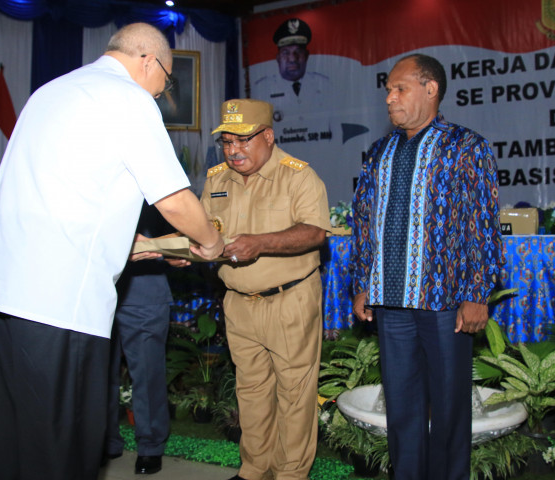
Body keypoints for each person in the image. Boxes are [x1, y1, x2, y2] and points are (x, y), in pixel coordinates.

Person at [0, 22, 224, 480]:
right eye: (166, 81)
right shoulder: (128, 98)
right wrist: (211, 242)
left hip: (0, 295)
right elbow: (175, 199)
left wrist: (122, 245)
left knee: (11, 442)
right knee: (63, 448)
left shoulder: (50, 92)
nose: (161, 93)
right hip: (58, 304)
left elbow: (62, 194)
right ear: (149, 61)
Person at [350, 53, 503, 480]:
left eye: (399, 89)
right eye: (388, 91)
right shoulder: (380, 151)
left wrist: (477, 293)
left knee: (450, 409)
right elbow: (364, 221)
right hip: (391, 301)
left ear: (430, 89)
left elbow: (481, 223)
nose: (389, 98)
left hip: (444, 302)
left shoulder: (465, 146)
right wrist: (362, 283)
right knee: (402, 409)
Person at [201, 98, 331, 480]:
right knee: (251, 392)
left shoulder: (299, 177)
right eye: (227, 141)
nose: (233, 150)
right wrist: (187, 250)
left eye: (243, 140)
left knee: (294, 395)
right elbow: (205, 231)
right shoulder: (217, 179)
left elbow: (315, 232)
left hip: (289, 301)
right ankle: (254, 470)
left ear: (269, 137)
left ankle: (290, 474)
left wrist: (260, 243)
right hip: (238, 303)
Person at [105, 202, 175, 475]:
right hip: (98, 290)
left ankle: (150, 446)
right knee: (97, 374)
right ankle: (104, 439)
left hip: (144, 288)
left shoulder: (155, 186)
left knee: (147, 374)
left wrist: (168, 249)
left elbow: (182, 229)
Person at [250, 18, 329, 123]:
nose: (292, 59)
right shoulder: (262, 88)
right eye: (286, 53)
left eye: (298, 52)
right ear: (278, 58)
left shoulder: (325, 84)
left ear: (306, 56)